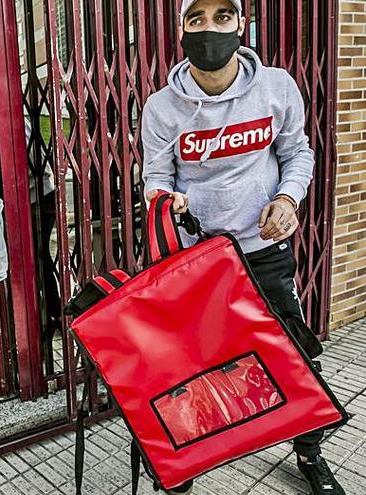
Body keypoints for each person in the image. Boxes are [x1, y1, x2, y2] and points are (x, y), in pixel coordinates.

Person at [141, 1, 346, 494]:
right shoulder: (161, 107)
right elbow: (155, 174)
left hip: (264, 251)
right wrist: (166, 199)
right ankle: (187, 459)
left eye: (221, 16)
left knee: (294, 356)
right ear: (181, 30)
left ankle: (310, 452)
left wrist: (287, 198)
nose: (208, 29)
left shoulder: (276, 87)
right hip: (198, 261)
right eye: (196, 19)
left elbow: (298, 153)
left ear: (241, 25)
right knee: (196, 366)